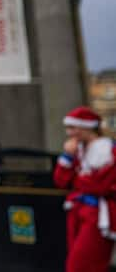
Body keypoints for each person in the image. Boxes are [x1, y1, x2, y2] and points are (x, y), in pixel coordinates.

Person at [54, 106, 116, 272]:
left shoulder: (108, 150)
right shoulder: (77, 151)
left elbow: (101, 186)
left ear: (87, 127)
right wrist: (67, 157)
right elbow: (61, 181)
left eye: (73, 128)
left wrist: (78, 180)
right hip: (76, 211)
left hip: (98, 214)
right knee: (76, 263)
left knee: (82, 265)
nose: (69, 133)